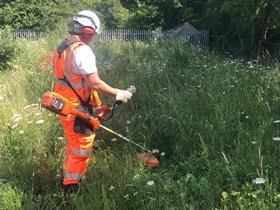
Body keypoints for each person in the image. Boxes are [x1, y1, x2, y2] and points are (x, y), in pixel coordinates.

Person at [52, 10, 133, 198]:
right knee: (80, 148)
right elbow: (95, 83)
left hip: (66, 104)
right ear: (88, 31)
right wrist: (118, 93)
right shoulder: (82, 50)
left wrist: (95, 108)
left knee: (75, 144)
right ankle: (70, 191)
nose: (94, 39)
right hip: (74, 108)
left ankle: (74, 180)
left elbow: (73, 81)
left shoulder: (64, 47)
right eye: (94, 34)